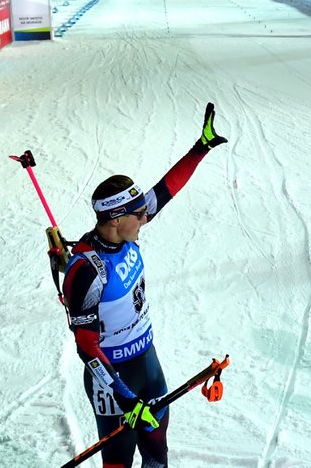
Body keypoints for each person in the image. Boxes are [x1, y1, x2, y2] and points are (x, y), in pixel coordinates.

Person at [62, 103, 228, 468]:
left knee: (156, 453)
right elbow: (87, 348)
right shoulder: (88, 271)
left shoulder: (126, 233)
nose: (146, 217)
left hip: (147, 362)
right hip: (113, 379)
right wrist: (123, 398)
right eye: (138, 214)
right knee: (118, 461)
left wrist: (200, 148)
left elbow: (167, 189)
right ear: (116, 219)